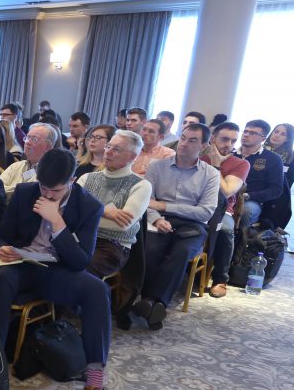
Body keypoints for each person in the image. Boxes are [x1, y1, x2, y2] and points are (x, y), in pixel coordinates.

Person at [0, 148, 110, 390]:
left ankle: (93, 381)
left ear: (71, 181)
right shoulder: (25, 192)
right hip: (21, 265)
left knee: (97, 290)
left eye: (54, 191)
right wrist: (2, 249)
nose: (46, 195)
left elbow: (81, 261)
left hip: (57, 271)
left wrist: (57, 222)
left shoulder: (89, 206)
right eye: (43, 187)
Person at [133, 124, 220, 330]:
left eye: (192, 140)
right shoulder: (157, 167)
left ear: (204, 145)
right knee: (151, 249)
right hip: (159, 220)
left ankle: (154, 302)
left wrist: (165, 206)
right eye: (183, 138)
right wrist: (156, 218)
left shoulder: (211, 174)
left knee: (180, 253)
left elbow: (205, 212)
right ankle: (152, 303)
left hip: (192, 225)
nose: (184, 143)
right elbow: (147, 201)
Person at [78, 130, 151, 277]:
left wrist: (86, 214)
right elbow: (69, 213)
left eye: (116, 149)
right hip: (79, 237)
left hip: (111, 245)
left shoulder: (141, 185)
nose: (108, 152)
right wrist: (104, 212)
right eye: (108, 146)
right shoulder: (87, 178)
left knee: (80, 270)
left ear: (132, 156)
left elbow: (122, 225)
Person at [201, 122, 250, 298]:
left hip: (223, 210)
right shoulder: (200, 158)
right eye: (224, 139)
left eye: (233, 140)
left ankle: (220, 278)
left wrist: (215, 166)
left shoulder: (241, 164)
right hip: (196, 206)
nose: (228, 144)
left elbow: (228, 190)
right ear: (212, 139)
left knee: (226, 229)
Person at [236, 119, 284, 227]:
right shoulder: (232, 154)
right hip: (227, 195)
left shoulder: (273, 159)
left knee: (246, 211)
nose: (246, 135)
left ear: (263, 138)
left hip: (251, 200)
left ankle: (239, 242)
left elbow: (276, 189)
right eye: (245, 131)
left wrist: (249, 195)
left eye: (252, 133)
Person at [0, 123, 59, 197]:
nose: (27, 142)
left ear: (48, 147)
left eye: (34, 139)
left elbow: (30, 193)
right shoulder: (16, 166)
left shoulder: (51, 172)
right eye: (27, 137)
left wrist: (9, 190)